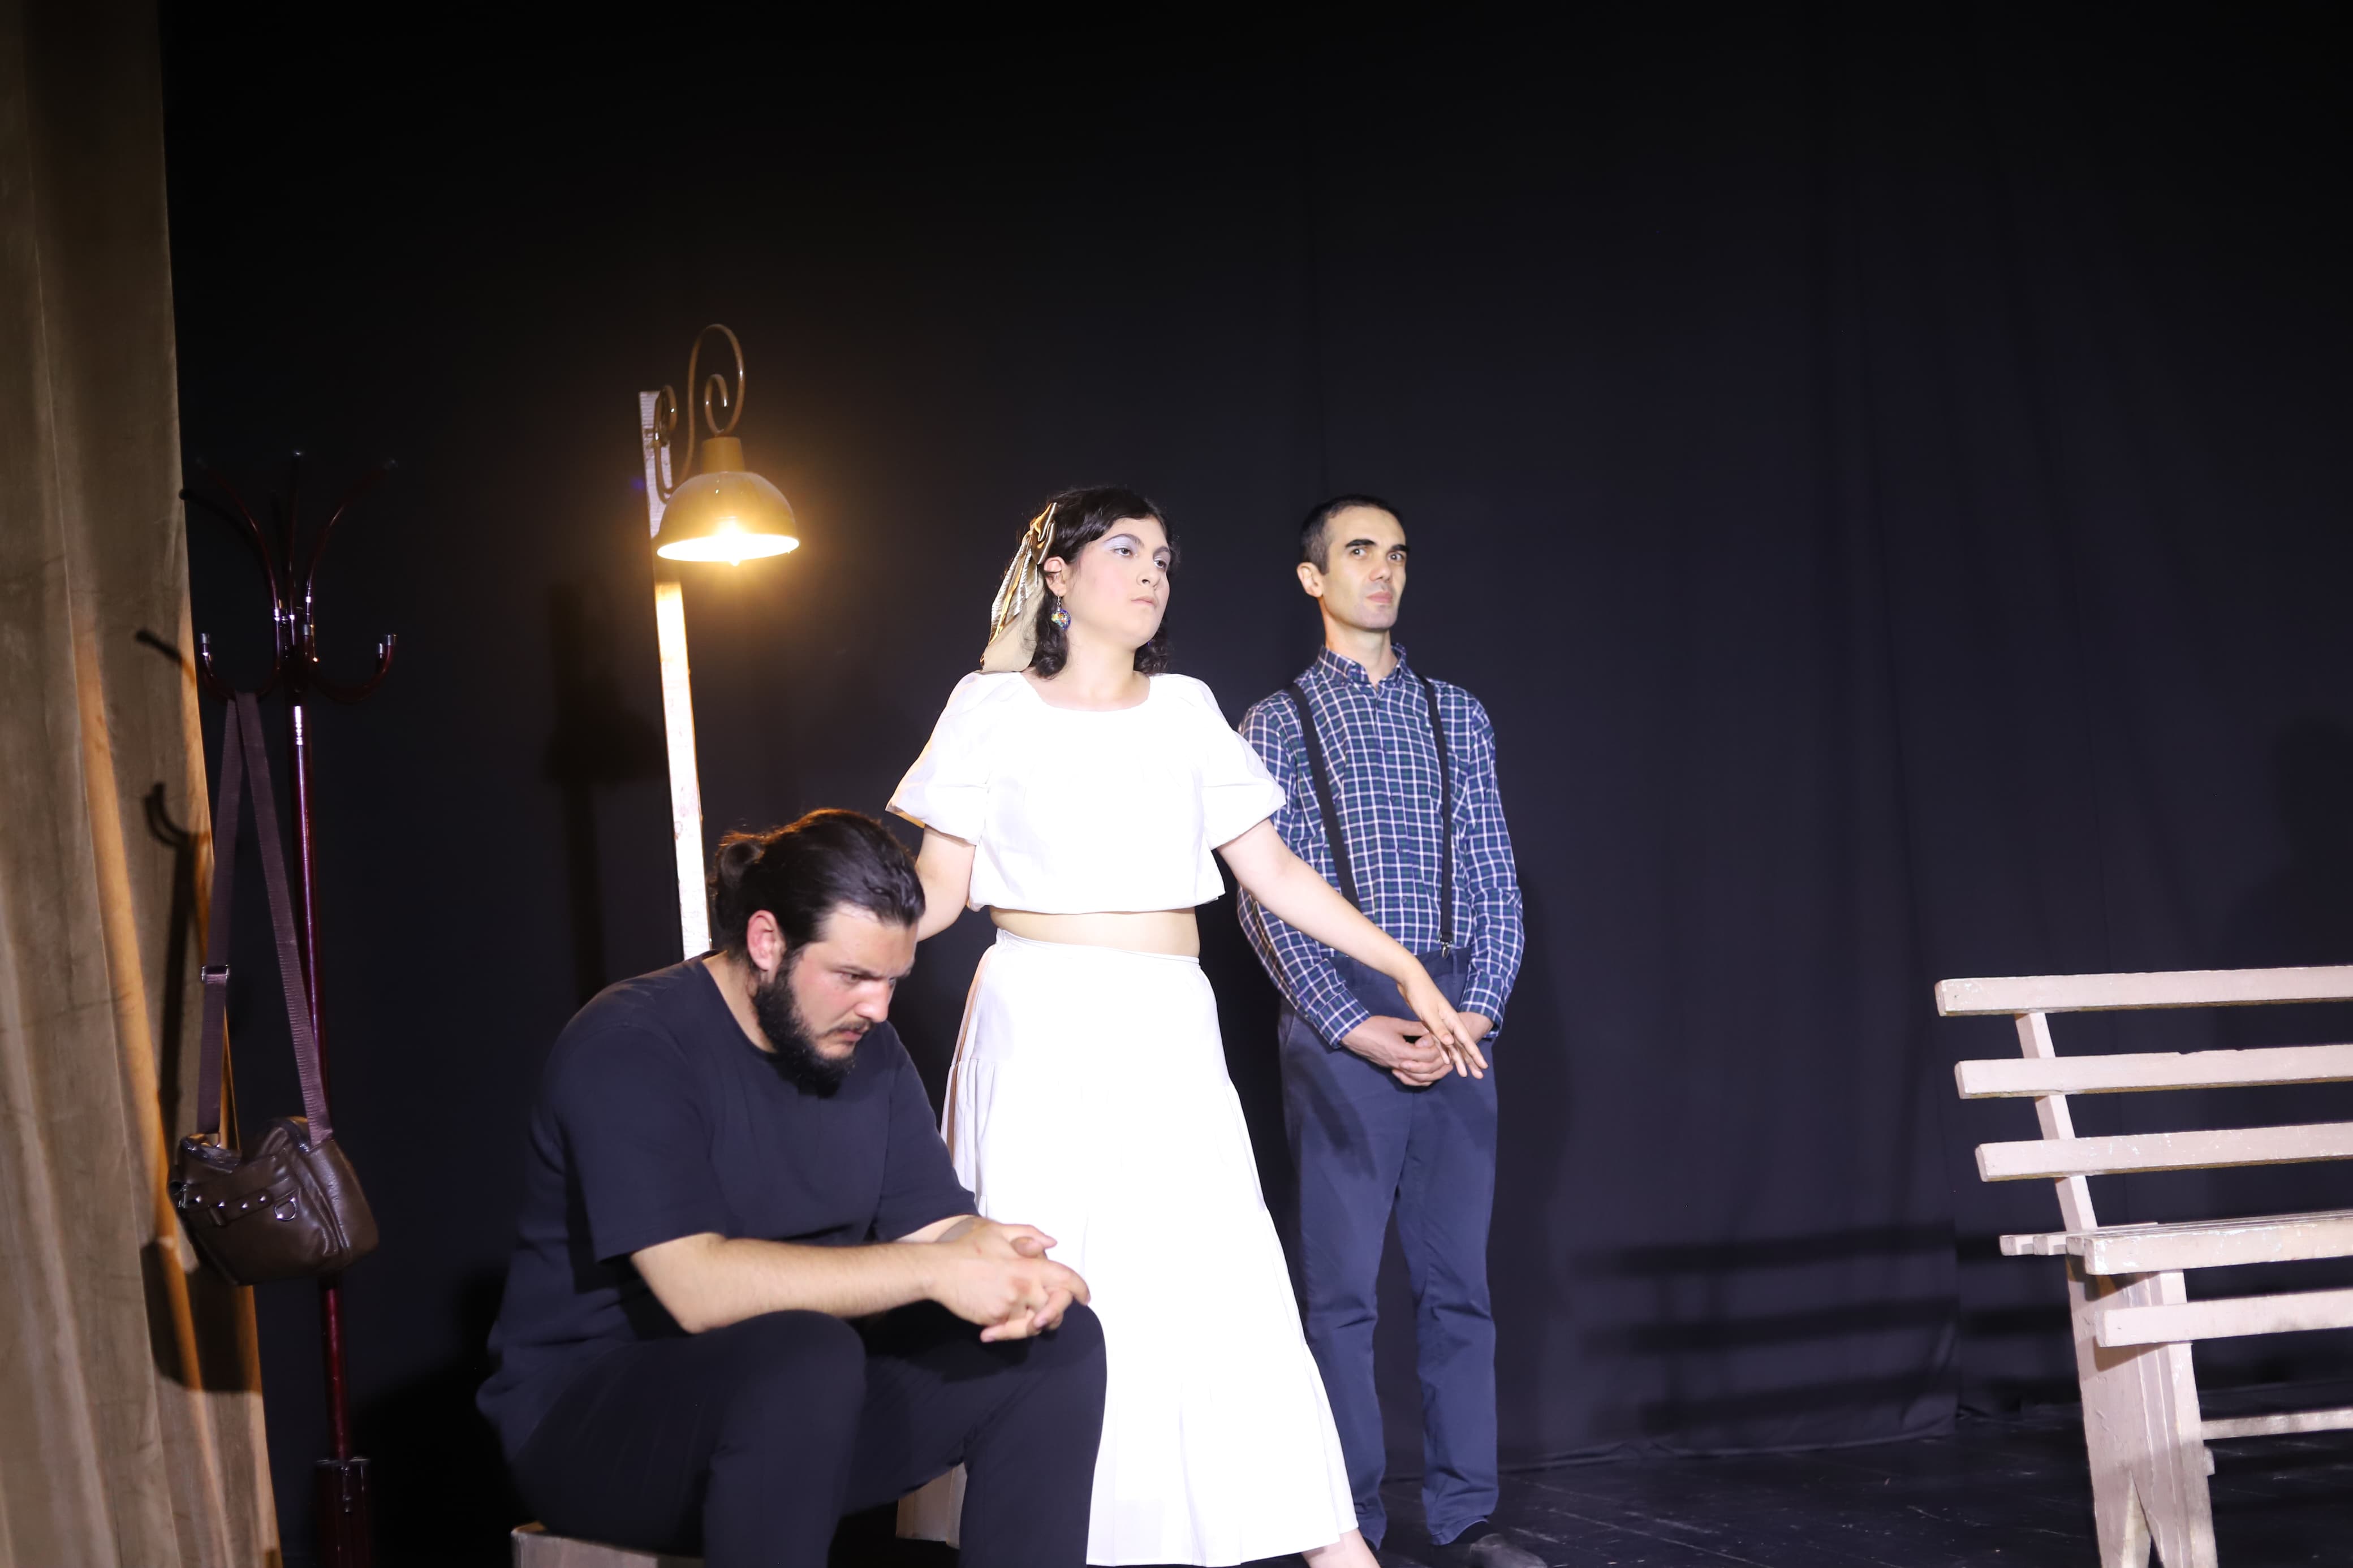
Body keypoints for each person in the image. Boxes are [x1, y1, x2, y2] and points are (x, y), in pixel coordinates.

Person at [888, 486, 1487, 1567]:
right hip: (1039, 1015)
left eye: (1163, 558)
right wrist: (833, 941)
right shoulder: (988, 707)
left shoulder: (1187, 708)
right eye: (1125, 550)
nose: (1151, 573)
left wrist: (1402, 963)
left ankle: (1327, 1541)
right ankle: (1059, 1535)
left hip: (1167, 1018)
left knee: (1215, 1271)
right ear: (1059, 576)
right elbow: (937, 890)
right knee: (1052, 1263)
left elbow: (1275, 871)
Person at [477, 810, 1107, 1568]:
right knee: (807, 1353)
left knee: (1059, 1345)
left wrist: (996, 1257)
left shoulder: (866, 1046)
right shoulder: (630, 1043)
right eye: (854, 976)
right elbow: (696, 1287)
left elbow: (932, 1224)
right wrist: (937, 1270)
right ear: (767, 941)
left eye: (892, 981)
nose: (878, 1008)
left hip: (796, 1415)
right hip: (596, 1427)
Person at [1236, 496, 1537, 1568]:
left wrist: (1477, 1010)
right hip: (1341, 1016)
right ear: (1313, 577)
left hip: (1457, 1009)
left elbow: (1496, 879)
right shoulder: (1276, 721)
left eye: (1398, 553)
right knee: (1341, 1298)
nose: (1384, 570)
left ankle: (1466, 1516)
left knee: (1460, 1289)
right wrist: (1354, 1024)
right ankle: (1346, 1525)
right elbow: (1270, 899)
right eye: (1359, 551)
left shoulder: (1458, 713)